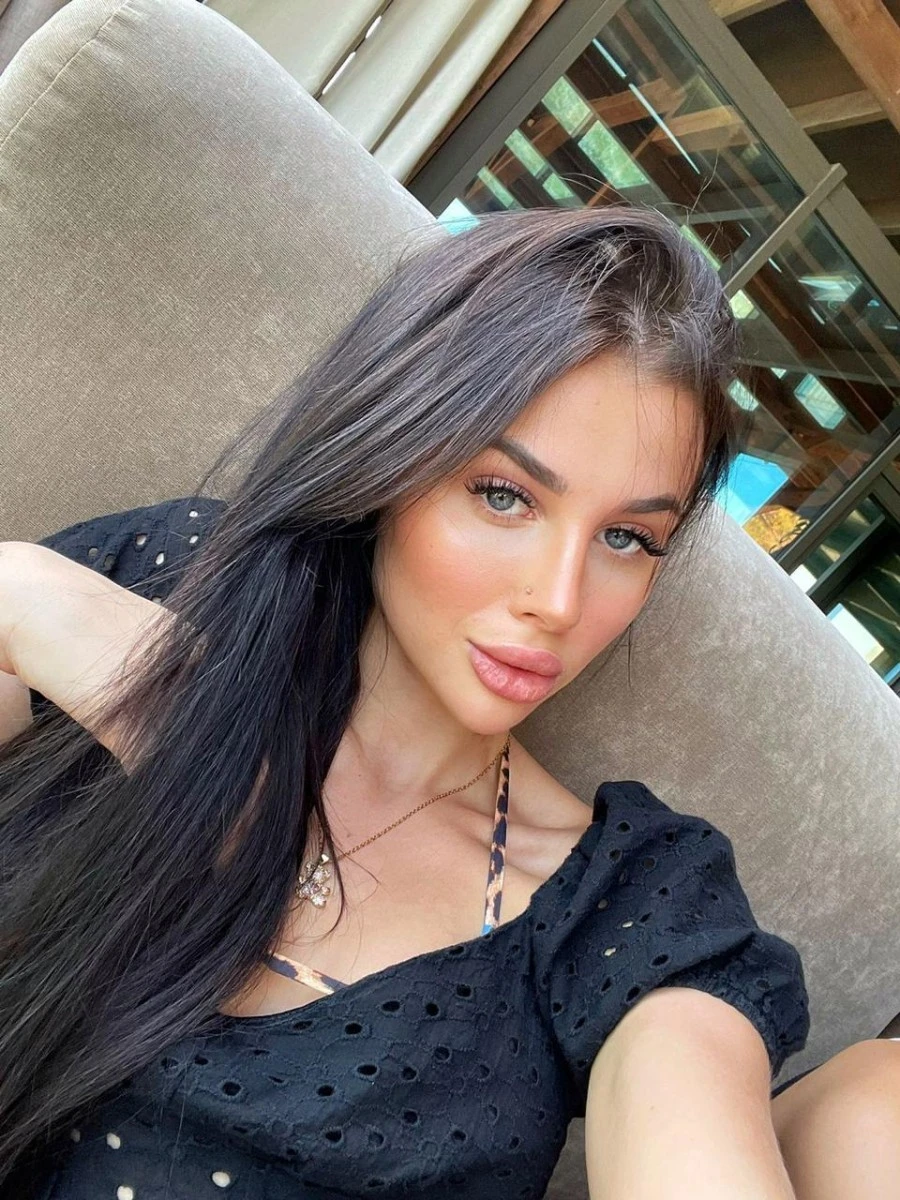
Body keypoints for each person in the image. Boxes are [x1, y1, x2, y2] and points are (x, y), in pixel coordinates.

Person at [0, 206, 896, 1199]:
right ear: (393, 453)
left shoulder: (623, 902)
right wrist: (33, 600)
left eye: (627, 539)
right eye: (505, 494)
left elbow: (691, 1107)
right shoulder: (174, 582)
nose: (559, 601)